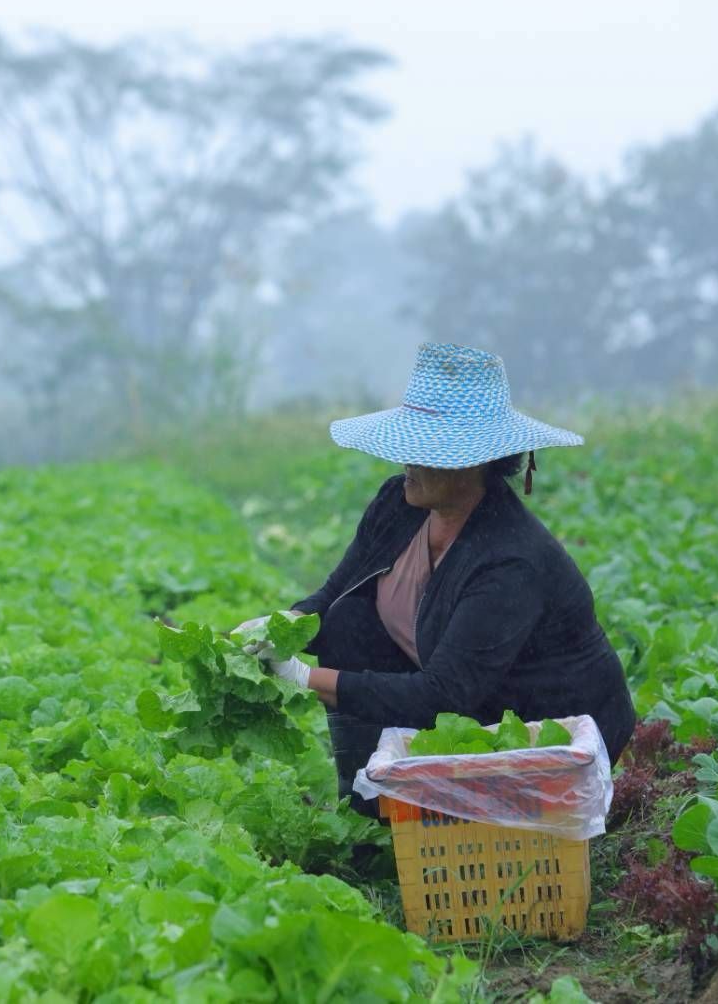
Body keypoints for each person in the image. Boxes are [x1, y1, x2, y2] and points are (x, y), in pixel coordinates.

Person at [237, 342, 636, 818]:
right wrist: (283, 624)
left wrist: (305, 677)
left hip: (537, 730)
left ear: (473, 463)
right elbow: (336, 592)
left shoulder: (510, 560)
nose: (408, 460)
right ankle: (369, 807)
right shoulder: (399, 504)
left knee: (448, 721)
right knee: (346, 618)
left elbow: (446, 694)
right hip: (459, 699)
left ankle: (414, 814)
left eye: (426, 450)